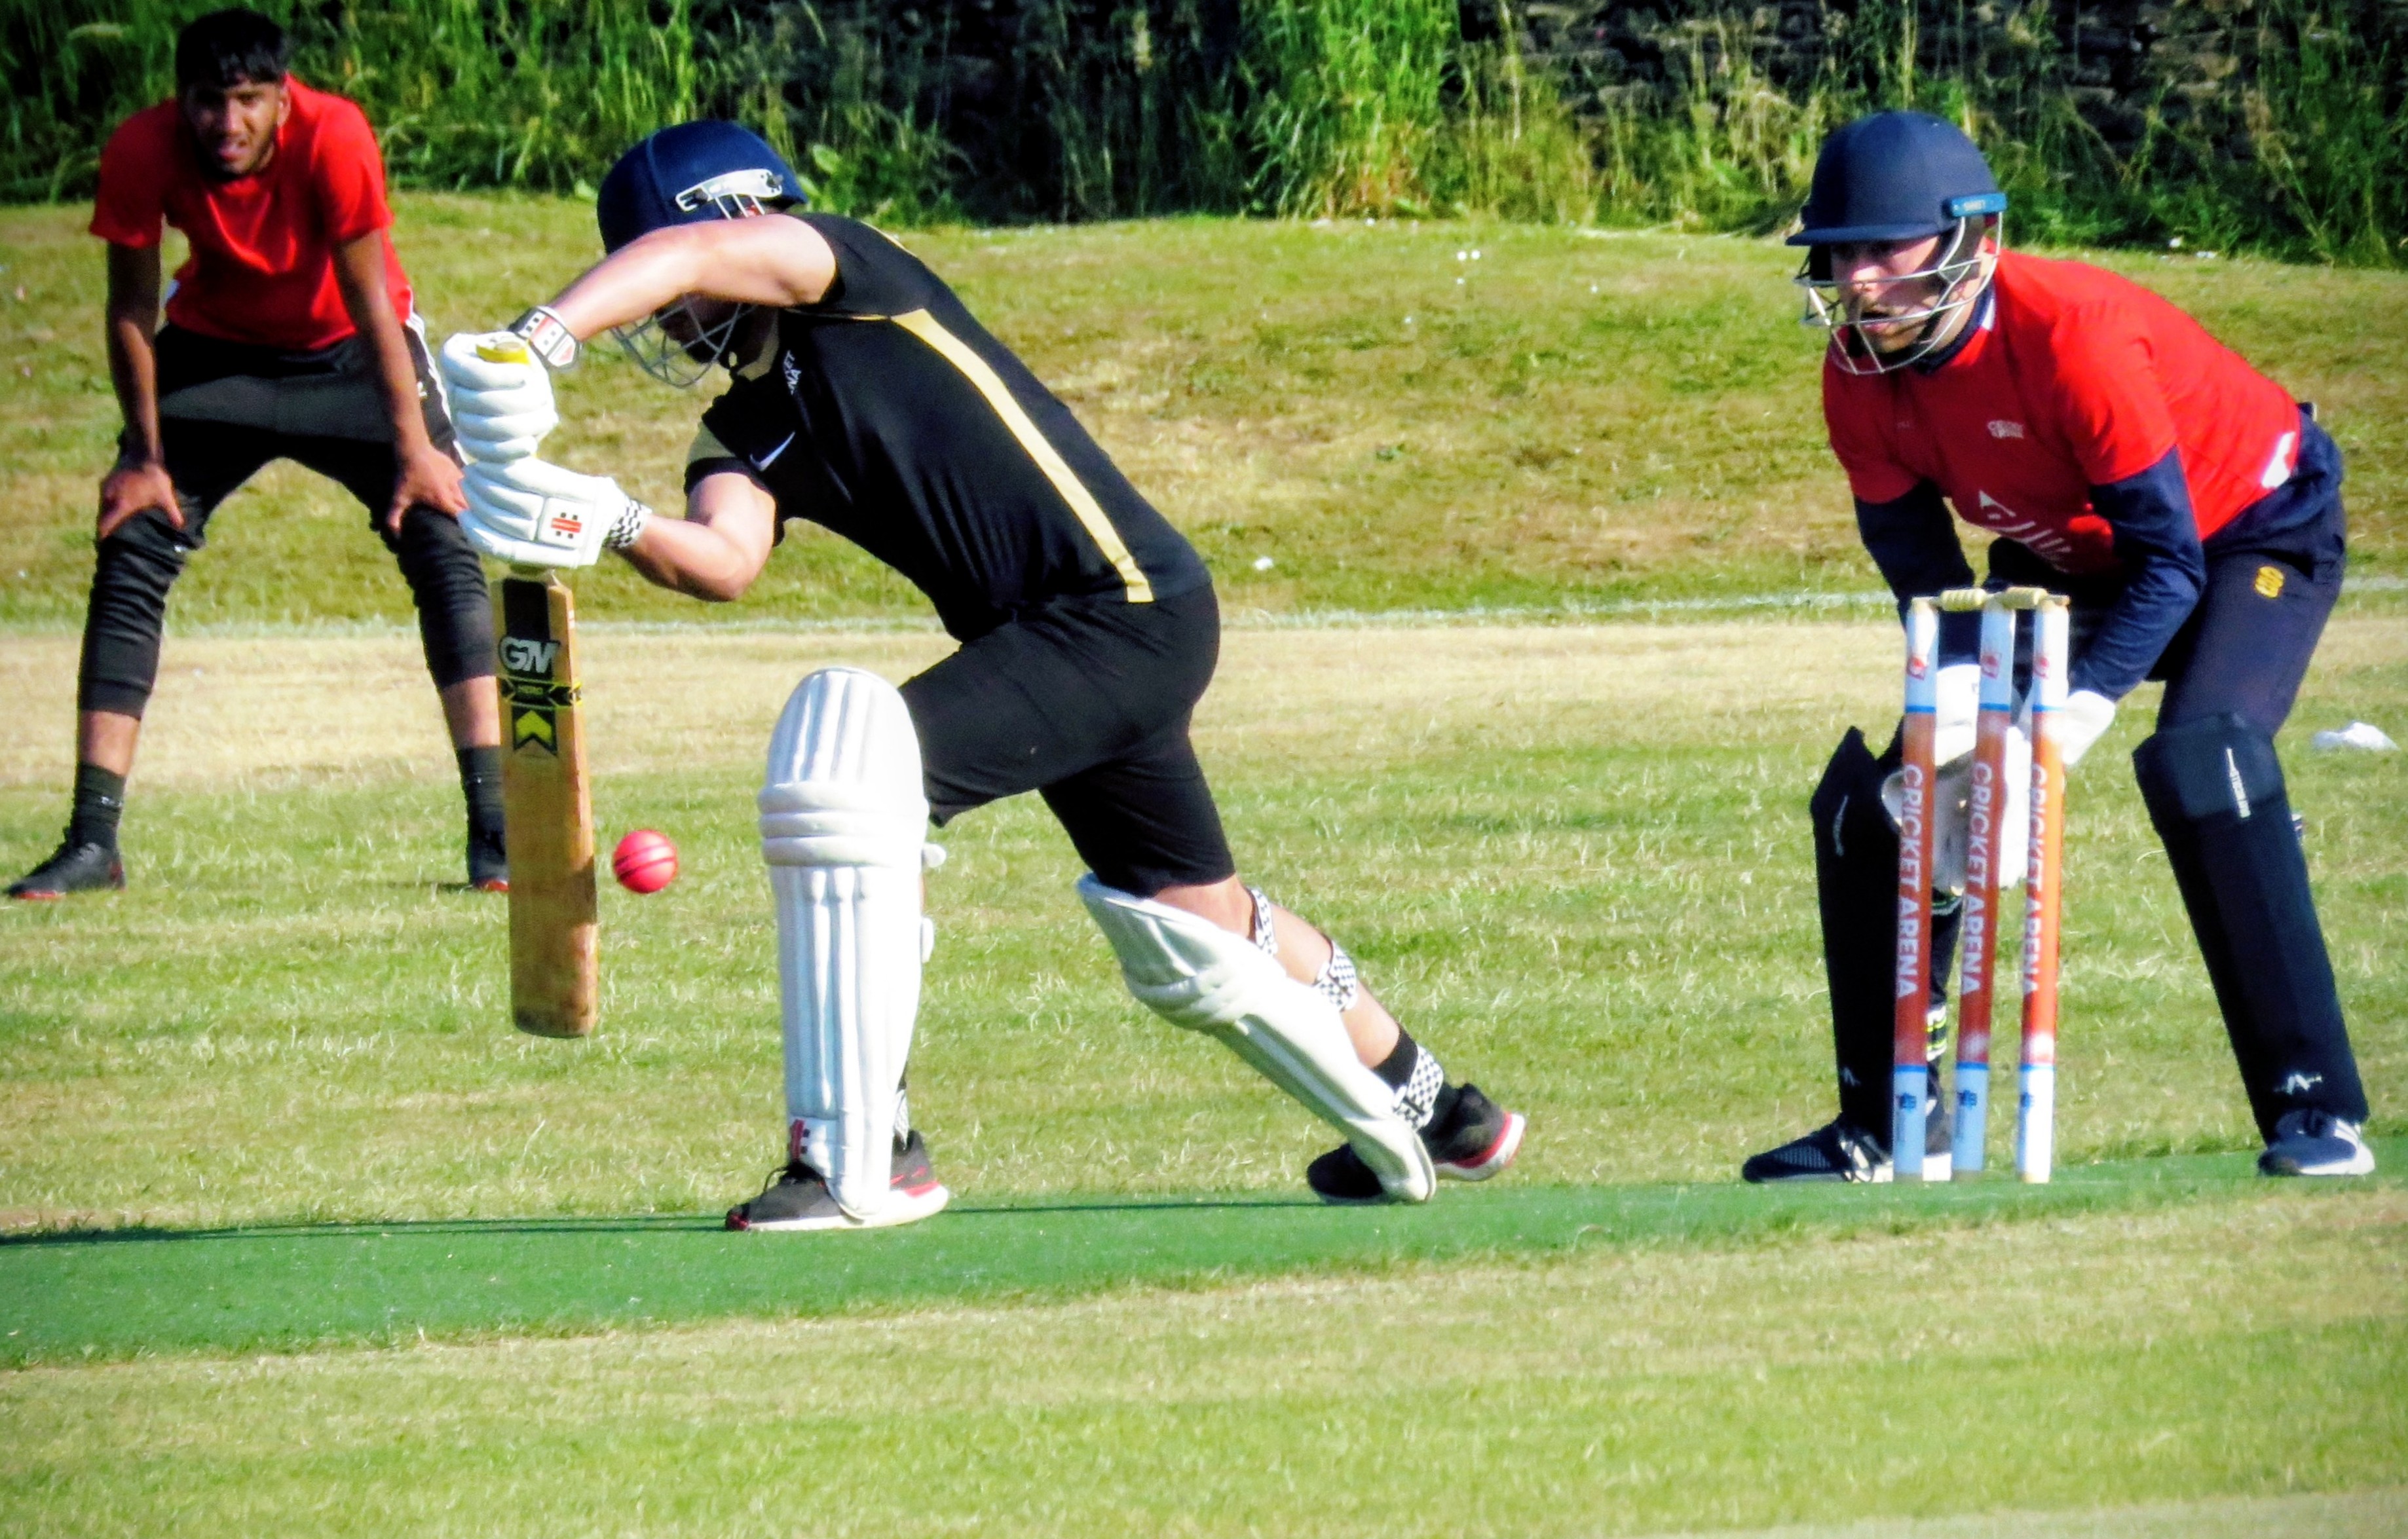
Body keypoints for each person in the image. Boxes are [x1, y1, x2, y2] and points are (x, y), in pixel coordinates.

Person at [441, 121, 1526, 1229]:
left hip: (1119, 608)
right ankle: (1443, 1109)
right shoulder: (744, 425)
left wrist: (539, 338)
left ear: (734, 220)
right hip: (1073, 639)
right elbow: (724, 560)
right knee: (1196, 923)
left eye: (661, 270)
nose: (664, 315)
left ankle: (873, 1150)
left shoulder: (844, 269)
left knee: (856, 777)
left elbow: (686, 258)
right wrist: (606, 519)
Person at [1742, 110, 2376, 1183]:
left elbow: (2170, 564)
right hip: (2073, 569)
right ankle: (1893, 1125)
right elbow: (1933, 590)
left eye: (1885, 250)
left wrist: (2048, 741)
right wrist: (1947, 763)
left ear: (1974, 240)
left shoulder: (2068, 334)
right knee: (1875, 807)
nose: (1857, 281)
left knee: (2204, 759)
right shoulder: (1856, 376)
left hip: (2248, 533)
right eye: (1841, 253)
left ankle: (2318, 1111)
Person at [8, 9, 506, 901]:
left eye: (246, 101)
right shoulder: (139, 149)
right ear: (181, 99)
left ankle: (498, 837)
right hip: (216, 355)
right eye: (207, 101)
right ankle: (92, 843)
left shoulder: (336, 137)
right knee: (132, 540)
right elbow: (130, 312)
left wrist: (416, 452)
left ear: (282, 97)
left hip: (353, 350)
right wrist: (146, 457)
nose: (226, 124)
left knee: (440, 533)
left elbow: (372, 298)